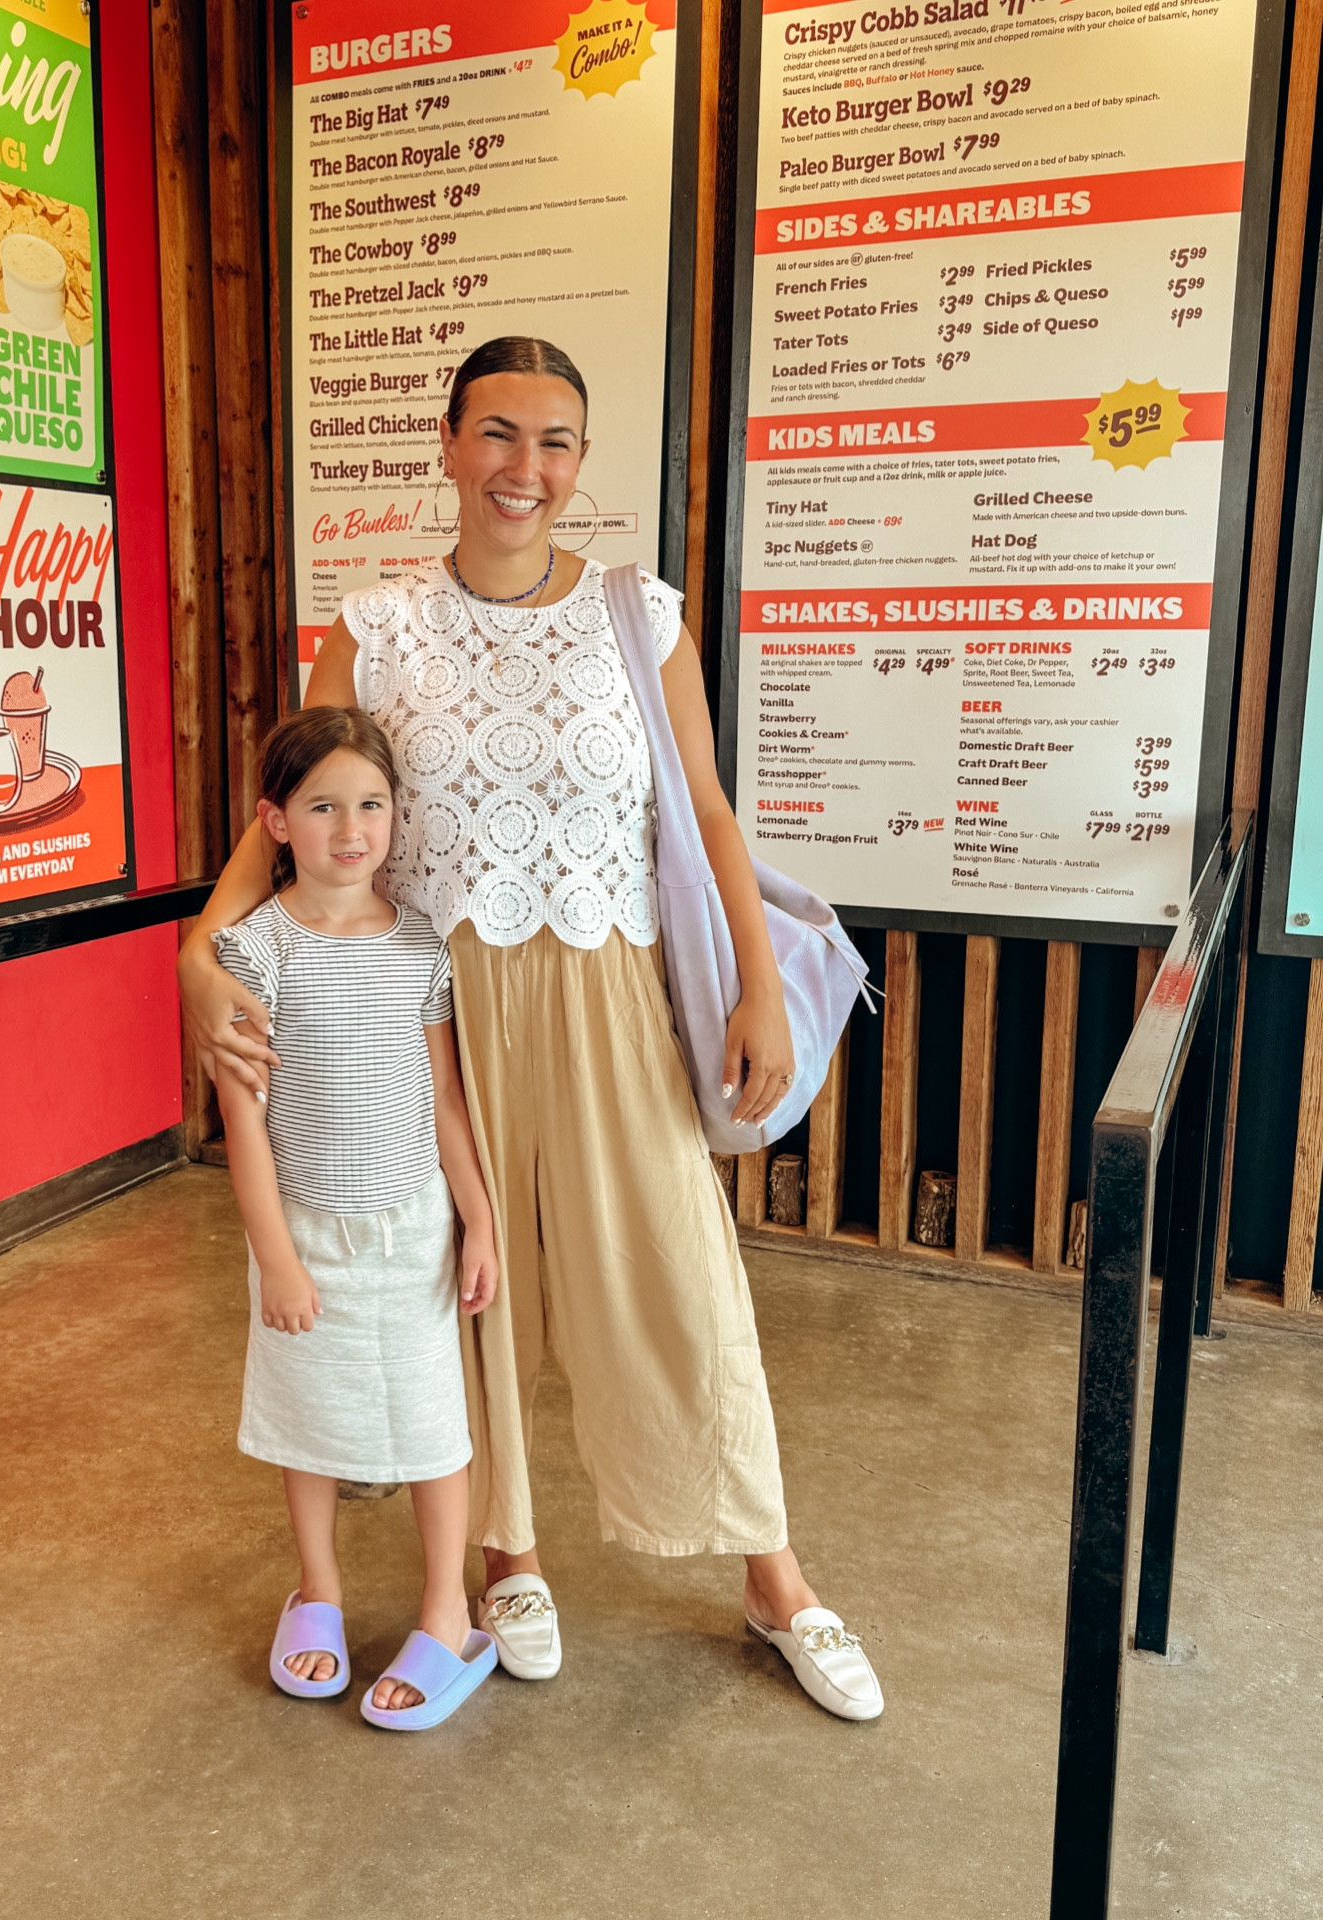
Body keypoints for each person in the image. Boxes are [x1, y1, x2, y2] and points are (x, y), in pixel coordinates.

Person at [182, 336, 884, 1721]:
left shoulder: (640, 611)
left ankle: (773, 1572)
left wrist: (756, 980)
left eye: (556, 441)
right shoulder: (372, 628)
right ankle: (508, 1553)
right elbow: (300, 806)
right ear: (447, 447)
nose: (527, 468)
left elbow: (710, 806)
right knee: (472, 1285)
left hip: (610, 981)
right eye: (499, 435)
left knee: (678, 1271)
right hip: (436, 1002)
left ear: (579, 461)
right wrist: (201, 954)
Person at [211, 704, 501, 1731]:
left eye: (372, 804)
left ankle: (444, 1615)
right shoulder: (254, 950)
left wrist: (478, 1220)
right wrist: (276, 1260)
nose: (352, 829)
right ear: (275, 821)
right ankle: (318, 1590)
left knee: (432, 1424)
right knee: (310, 1419)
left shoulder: (420, 943)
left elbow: (445, 1098)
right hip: (305, 1232)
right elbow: (243, 1124)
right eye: (323, 805)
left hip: (413, 1228)